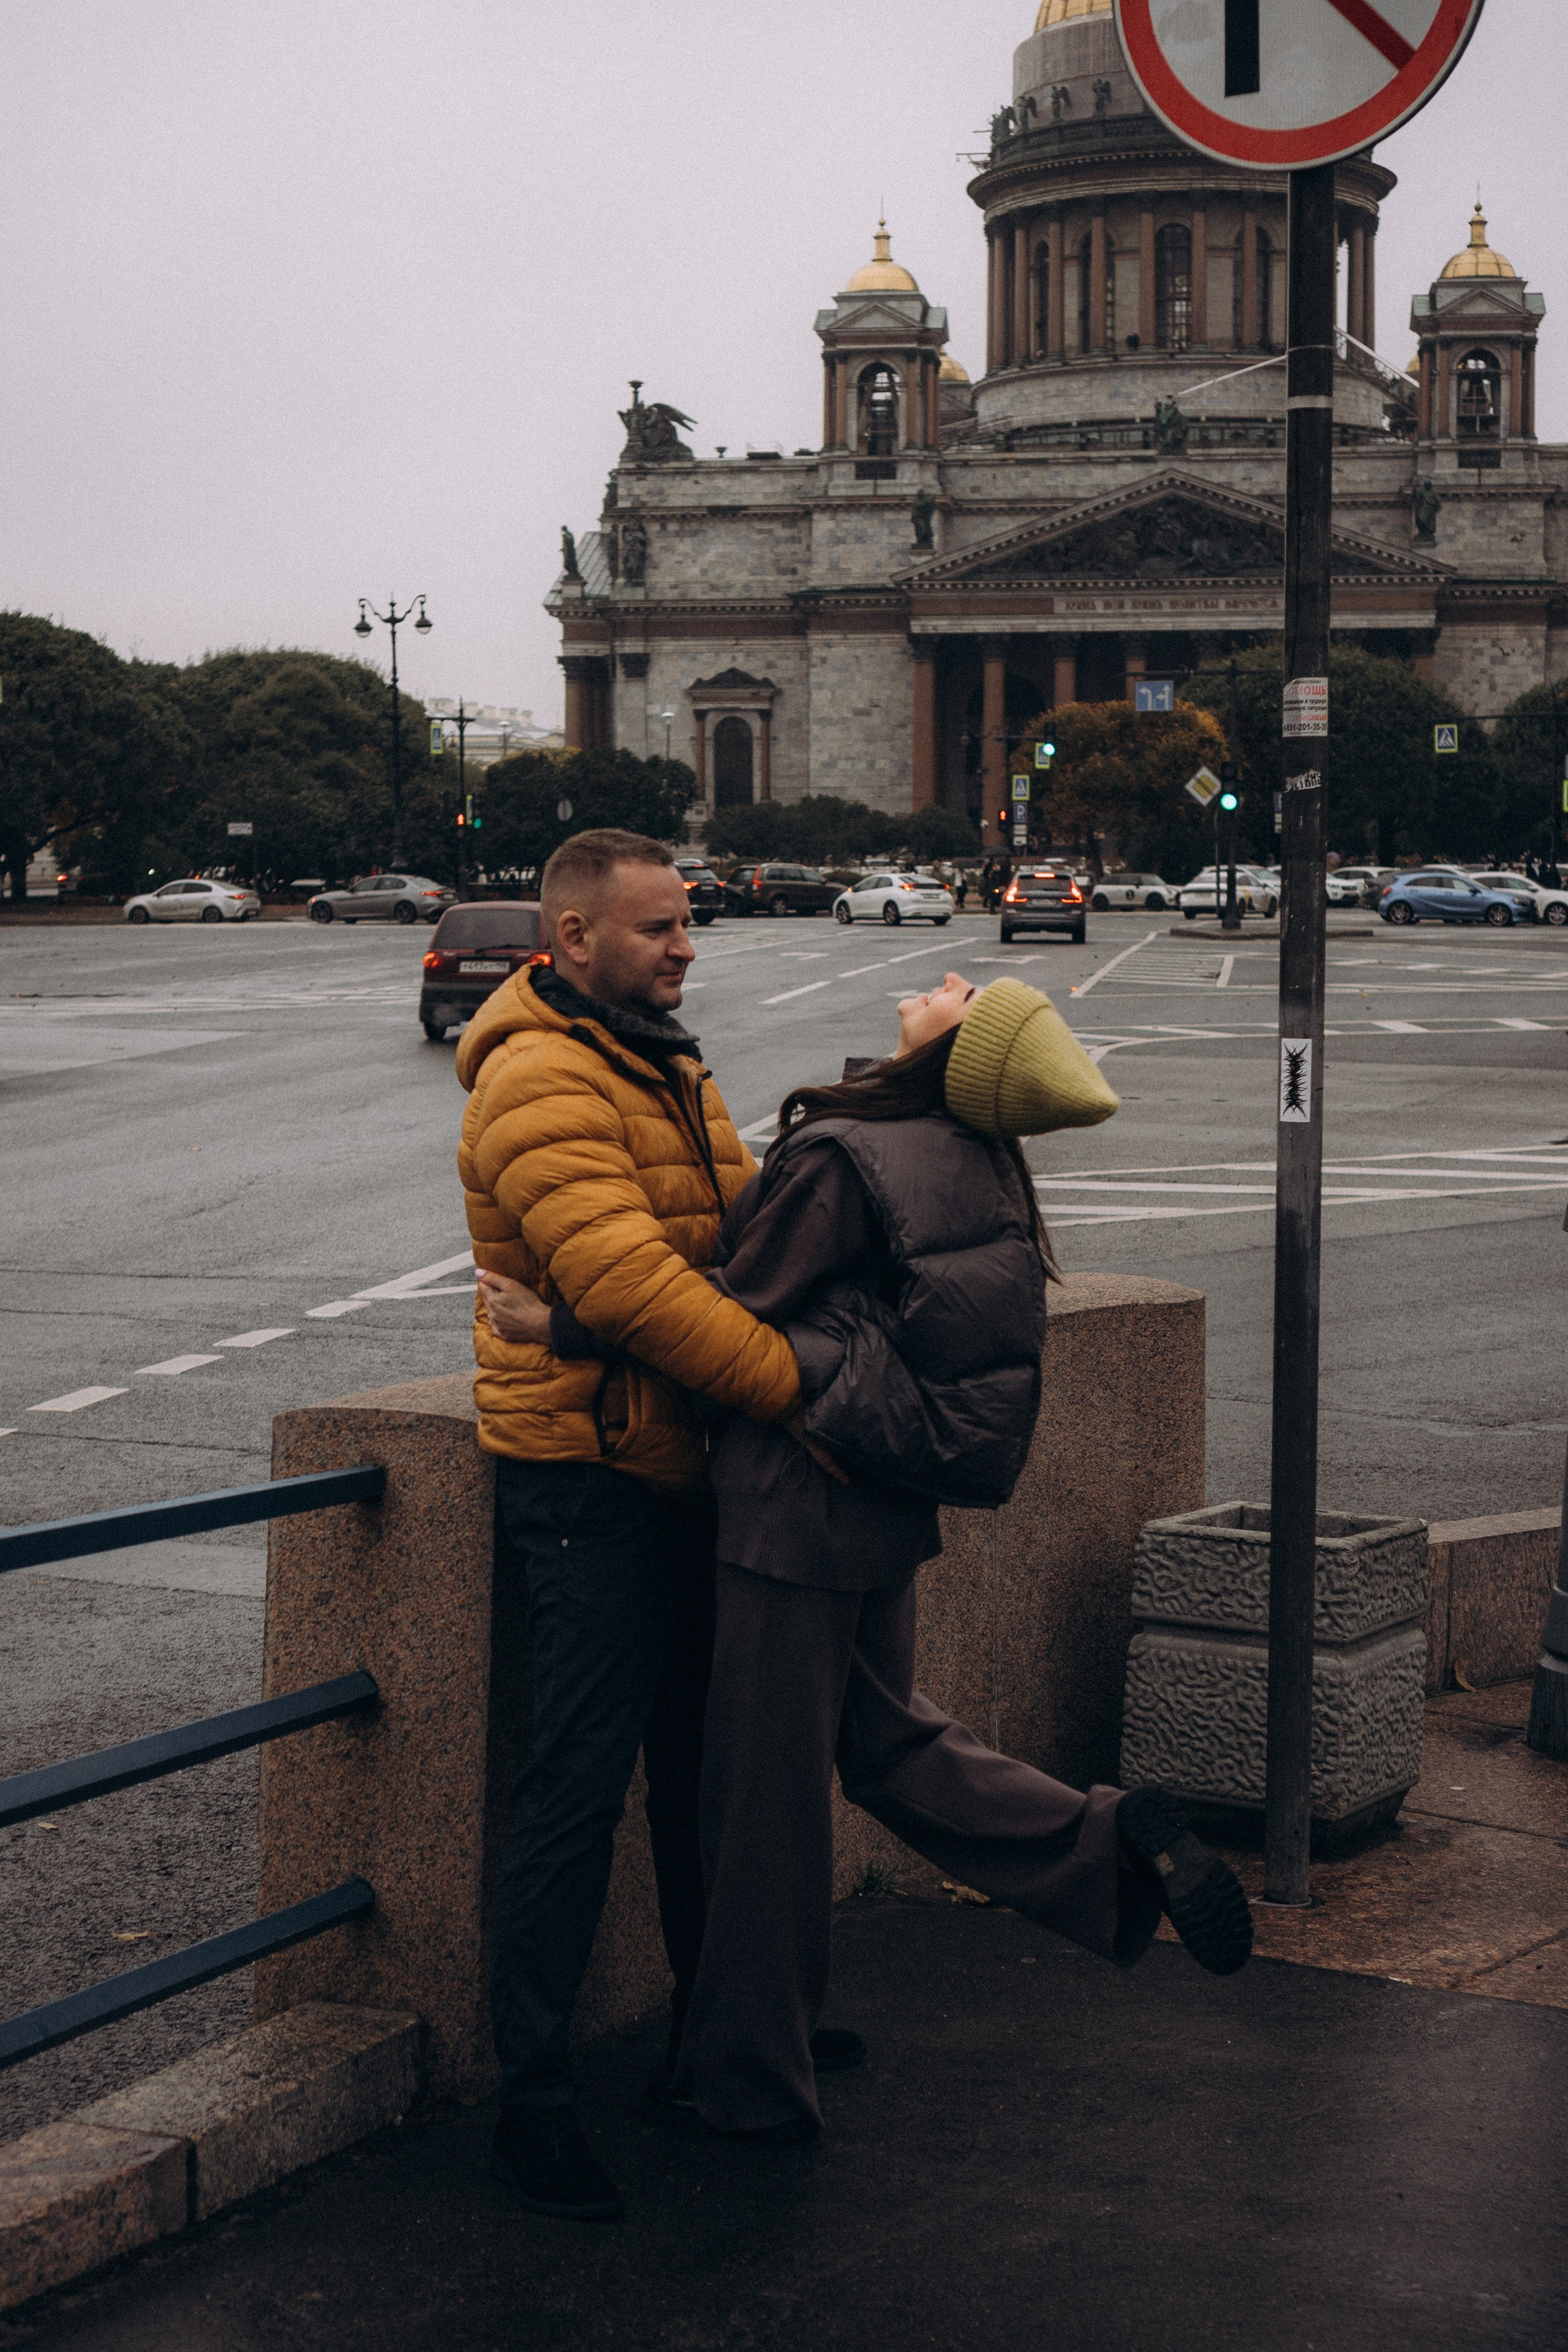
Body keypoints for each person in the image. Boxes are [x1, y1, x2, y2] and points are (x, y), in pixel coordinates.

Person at [488, 973, 1252, 2146]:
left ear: (961, 1055)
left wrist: (562, 1326)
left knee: (762, 1805)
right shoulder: (977, 1157)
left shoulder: (851, 1154)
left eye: (965, 995)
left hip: (795, 1499)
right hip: (882, 1498)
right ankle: (1108, 1852)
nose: (944, 981)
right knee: (887, 1741)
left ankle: (747, 2085)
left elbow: (727, 1313)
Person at [455, 826, 802, 2221]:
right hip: (588, 1485)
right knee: (576, 1790)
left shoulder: (658, 1056)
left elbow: (732, 1236)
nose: (685, 946)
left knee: (703, 1781)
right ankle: (532, 2098)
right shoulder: (541, 1077)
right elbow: (651, 1288)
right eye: (659, 927)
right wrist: (797, 1389)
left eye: (687, 922)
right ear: (575, 937)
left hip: (674, 1461)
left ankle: (712, 2043)